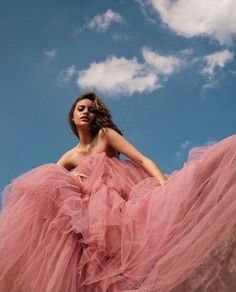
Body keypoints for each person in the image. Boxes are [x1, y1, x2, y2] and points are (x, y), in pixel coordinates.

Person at [0, 92, 235, 292]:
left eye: (91, 110)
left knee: (136, 250)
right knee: (98, 267)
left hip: (118, 206)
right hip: (90, 218)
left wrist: (165, 185)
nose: (85, 113)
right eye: (80, 108)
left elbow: (142, 159)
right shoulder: (70, 156)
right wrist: (71, 176)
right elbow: (48, 184)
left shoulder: (105, 135)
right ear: (72, 115)